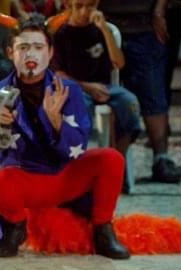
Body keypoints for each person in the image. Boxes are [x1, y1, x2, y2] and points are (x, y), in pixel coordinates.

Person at [0, 14, 129, 259]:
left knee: (111, 159)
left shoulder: (69, 90)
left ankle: (102, 230)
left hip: (65, 175)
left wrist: (57, 124)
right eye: (23, 47)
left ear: (50, 52)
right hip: (28, 179)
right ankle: (16, 227)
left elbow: (78, 145)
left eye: (38, 47)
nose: (31, 54)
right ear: (10, 53)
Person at [97, 0, 181, 183]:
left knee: (153, 92)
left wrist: (159, 11)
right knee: (108, 95)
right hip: (103, 26)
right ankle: (110, 160)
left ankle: (161, 157)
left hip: (146, 26)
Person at [51, 0, 142, 164]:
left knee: (130, 102)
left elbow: (119, 63)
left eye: (90, 5)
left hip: (105, 86)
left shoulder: (102, 30)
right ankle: (80, 163)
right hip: (75, 87)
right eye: (79, 6)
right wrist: (88, 87)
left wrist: (105, 30)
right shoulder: (60, 34)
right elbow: (59, 74)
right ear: (69, 6)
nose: (84, 11)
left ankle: (117, 162)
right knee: (78, 106)